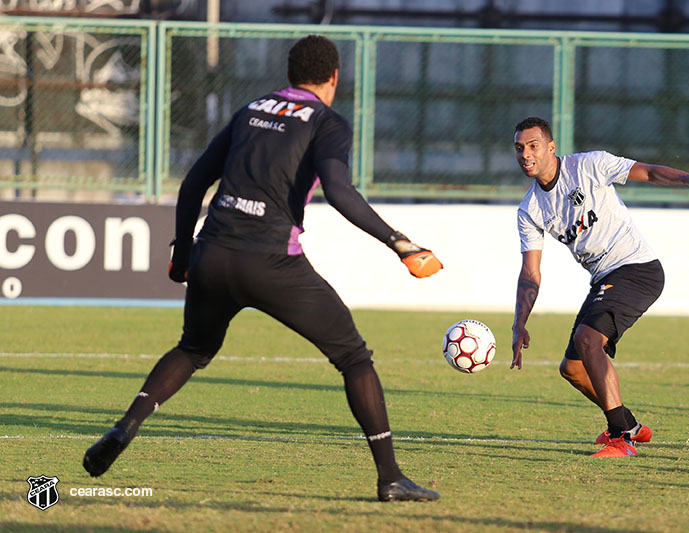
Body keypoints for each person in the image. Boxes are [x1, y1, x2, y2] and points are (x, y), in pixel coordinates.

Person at [83, 35, 442, 502]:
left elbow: (194, 182)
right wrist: (400, 244)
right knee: (354, 358)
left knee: (192, 349)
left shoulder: (252, 109)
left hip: (213, 252)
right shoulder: (326, 122)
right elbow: (339, 191)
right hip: (271, 262)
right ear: (334, 77)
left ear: (289, 74)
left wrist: (183, 253)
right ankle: (390, 477)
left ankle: (125, 426)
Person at [510, 116, 689, 457]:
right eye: (520, 148)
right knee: (572, 369)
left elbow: (649, 172)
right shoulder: (530, 209)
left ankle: (620, 437)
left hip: (637, 269)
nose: (525, 154)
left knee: (587, 339)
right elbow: (530, 273)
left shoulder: (589, 166)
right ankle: (631, 426)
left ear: (551, 147)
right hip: (605, 278)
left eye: (533, 146)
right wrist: (519, 323)